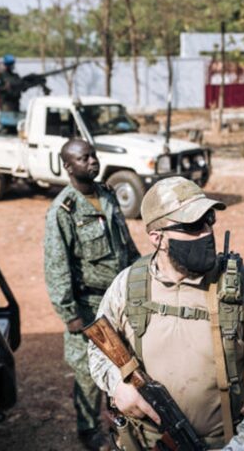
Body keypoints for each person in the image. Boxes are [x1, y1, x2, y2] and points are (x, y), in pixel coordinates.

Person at [88, 176, 244, 450]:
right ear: (157, 238)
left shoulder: (242, 286)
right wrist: (117, 385)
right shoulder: (127, 286)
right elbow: (98, 349)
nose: (206, 232)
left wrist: (243, 447)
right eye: (192, 226)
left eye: (209, 219)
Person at [44, 138, 141, 450]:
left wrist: (144, 273)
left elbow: (125, 243)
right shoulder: (63, 210)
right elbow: (56, 264)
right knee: (87, 373)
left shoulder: (107, 194)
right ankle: (88, 430)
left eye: (93, 156)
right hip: (88, 305)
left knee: (127, 361)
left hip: (120, 298)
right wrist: (69, 314)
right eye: (83, 158)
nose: (92, 162)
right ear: (68, 166)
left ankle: (124, 422)